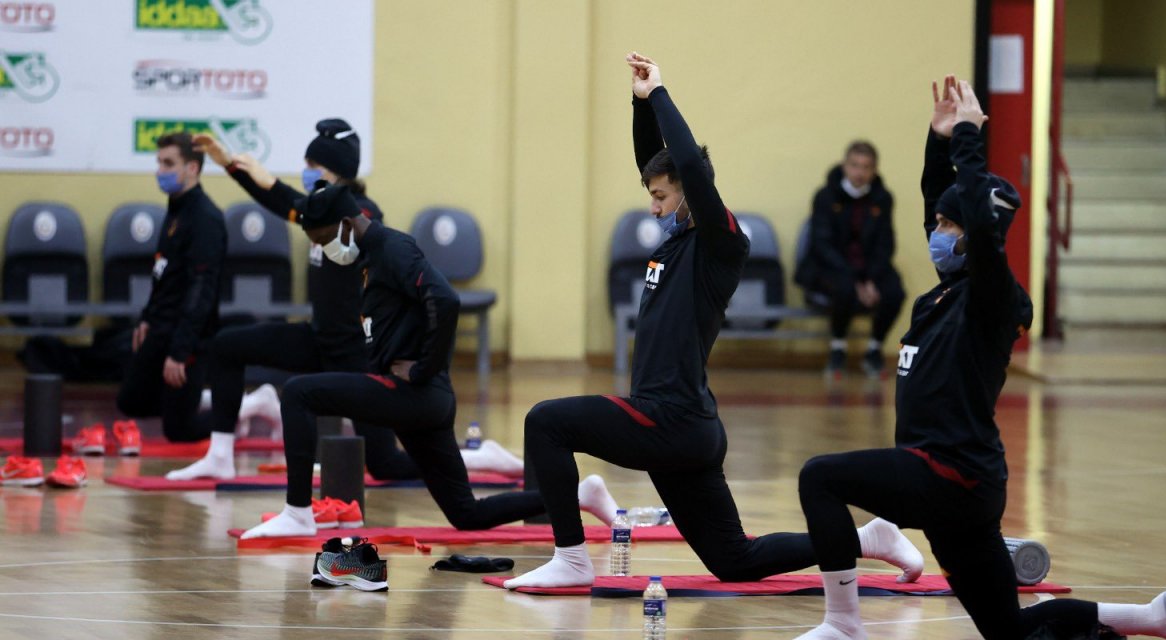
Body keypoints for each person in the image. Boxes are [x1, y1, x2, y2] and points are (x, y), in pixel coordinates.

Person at [792, 76, 1166, 640]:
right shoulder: (944, 290)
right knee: (1007, 632)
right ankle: (1154, 616)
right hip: (955, 486)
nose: (936, 234)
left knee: (819, 477)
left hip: (949, 473)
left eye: (948, 227)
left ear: (974, 236)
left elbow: (981, 231)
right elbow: (936, 199)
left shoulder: (991, 298)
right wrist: (939, 139)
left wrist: (969, 136)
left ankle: (843, 624)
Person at [503, 53, 923, 590]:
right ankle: (870, 540)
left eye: (660, 197)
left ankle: (572, 557)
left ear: (688, 193)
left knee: (546, 422)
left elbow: (691, 167)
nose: (652, 208)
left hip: (668, 417)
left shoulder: (721, 244)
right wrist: (638, 104)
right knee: (734, 559)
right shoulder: (677, 239)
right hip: (686, 430)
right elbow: (656, 161)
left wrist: (659, 93)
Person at [241, 184, 617, 539]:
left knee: (297, 392)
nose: (323, 249)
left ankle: (297, 513)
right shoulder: (371, 257)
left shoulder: (393, 248)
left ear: (345, 224)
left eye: (323, 240)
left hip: (413, 392)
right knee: (466, 514)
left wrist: (424, 367)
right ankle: (582, 494)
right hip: (422, 401)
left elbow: (446, 299)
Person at [166, 120, 417, 481]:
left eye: (313, 167)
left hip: (355, 358)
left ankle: (472, 458)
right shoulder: (318, 208)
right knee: (226, 347)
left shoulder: (364, 211)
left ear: (335, 171)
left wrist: (267, 180)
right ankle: (219, 455)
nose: (306, 172)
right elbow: (283, 203)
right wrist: (231, 165)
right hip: (319, 343)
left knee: (384, 464)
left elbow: (303, 206)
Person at [115, 131, 226, 443]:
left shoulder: (205, 218)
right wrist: (147, 317)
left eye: (168, 163)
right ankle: (196, 397)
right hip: (161, 325)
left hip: (188, 336)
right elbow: (163, 273)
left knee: (179, 430)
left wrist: (181, 351)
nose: (159, 171)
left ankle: (245, 408)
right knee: (130, 401)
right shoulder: (176, 208)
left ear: (192, 168)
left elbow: (201, 290)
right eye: (159, 163)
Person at [795, 140, 904, 375]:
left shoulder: (882, 199)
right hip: (831, 265)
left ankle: (875, 348)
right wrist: (856, 281)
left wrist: (872, 279)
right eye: (855, 165)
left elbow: (886, 244)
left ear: (874, 170)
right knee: (844, 288)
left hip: (869, 268)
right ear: (845, 166)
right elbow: (822, 244)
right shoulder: (825, 196)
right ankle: (837, 349)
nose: (860, 172)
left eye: (866, 167)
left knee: (895, 291)